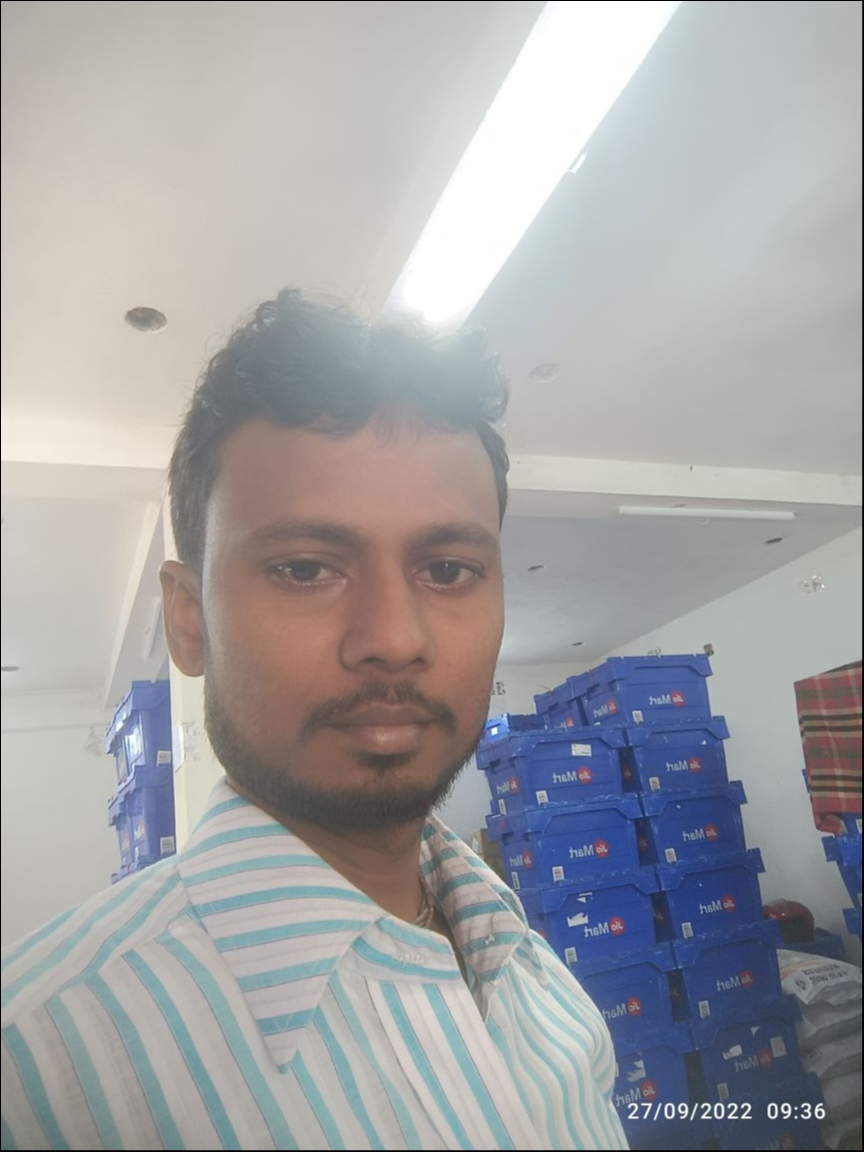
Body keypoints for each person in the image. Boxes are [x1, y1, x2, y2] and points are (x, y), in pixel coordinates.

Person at [1, 291, 627, 1151]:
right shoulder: (35, 1069)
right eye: (304, 568)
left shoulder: (542, 985)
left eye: (448, 569)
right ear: (188, 620)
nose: (394, 639)